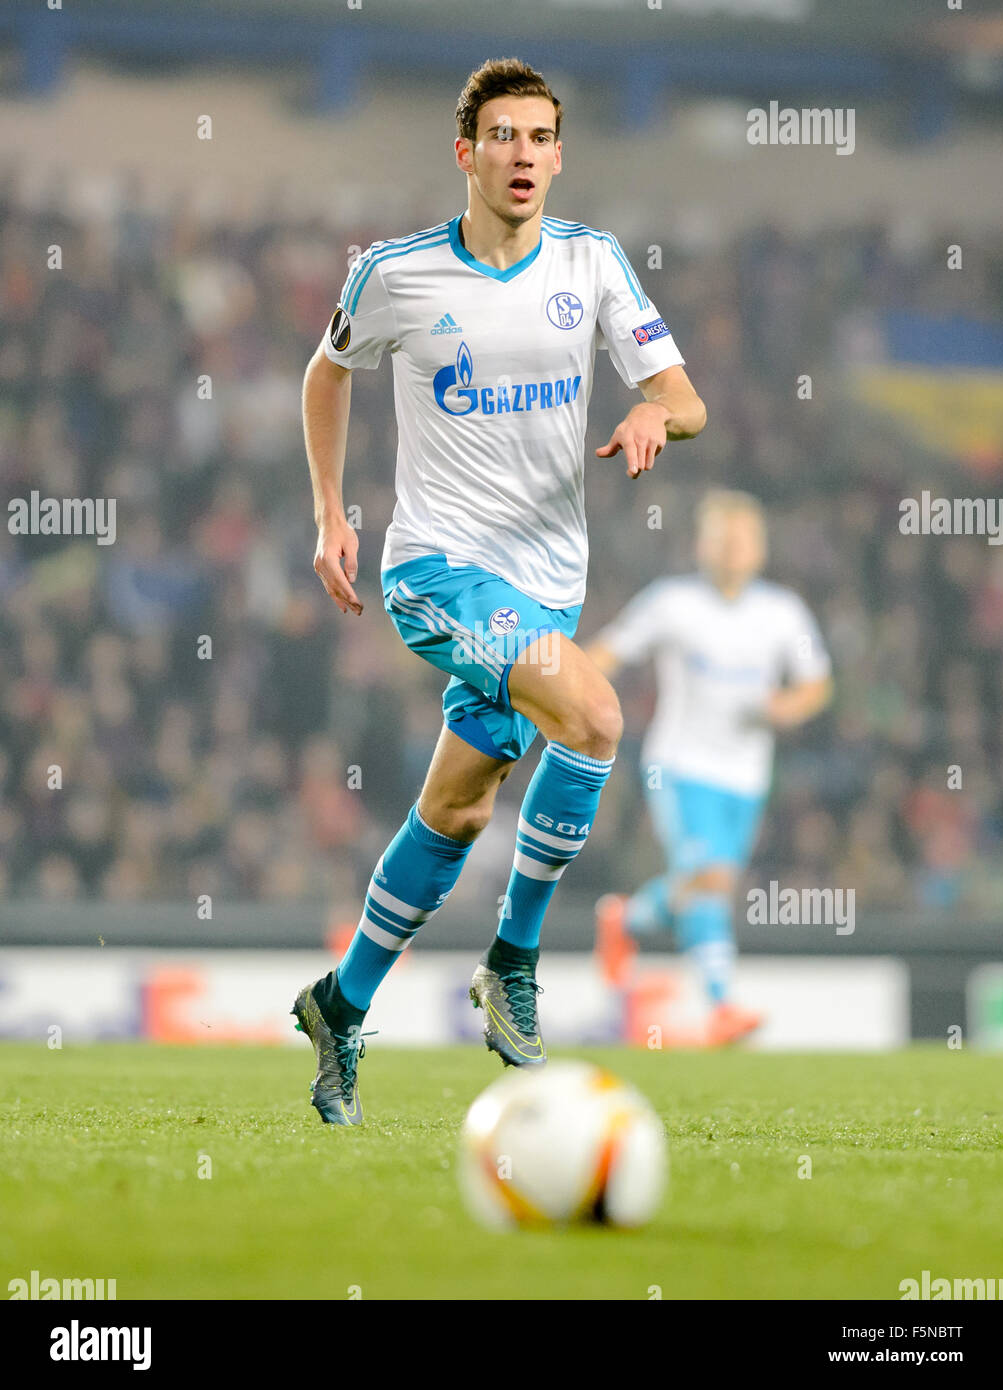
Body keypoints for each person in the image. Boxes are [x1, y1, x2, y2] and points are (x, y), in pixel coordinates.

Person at [294, 57, 706, 1123]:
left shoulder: (593, 263)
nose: (521, 155)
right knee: (598, 713)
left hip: (546, 585)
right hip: (435, 571)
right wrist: (330, 513)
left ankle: (340, 1005)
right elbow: (327, 370)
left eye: (538, 138)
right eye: (501, 137)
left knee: (459, 808)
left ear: (558, 156)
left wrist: (659, 412)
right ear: (465, 153)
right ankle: (512, 960)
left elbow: (682, 393)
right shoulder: (393, 273)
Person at [585, 490, 832, 1045]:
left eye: (742, 538)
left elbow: (817, 682)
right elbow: (612, 649)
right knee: (713, 880)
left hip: (745, 777)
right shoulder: (672, 602)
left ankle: (625, 919)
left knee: (702, 885)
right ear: (702, 545)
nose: (731, 549)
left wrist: (787, 707)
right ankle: (722, 1004)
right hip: (680, 766)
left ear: (759, 548)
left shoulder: (782, 612)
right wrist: (560, 685)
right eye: (721, 538)